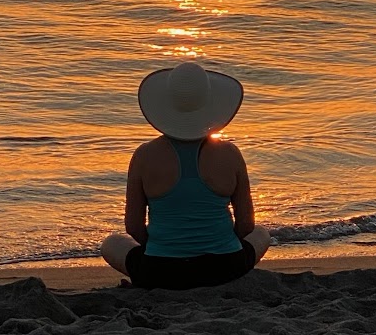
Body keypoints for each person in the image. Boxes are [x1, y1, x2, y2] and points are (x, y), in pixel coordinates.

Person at [101, 61, 271, 290]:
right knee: (262, 233)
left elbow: (134, 228)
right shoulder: (230, 154)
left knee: (111, 243)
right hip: (225, 268)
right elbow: (246, 225)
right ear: (210, 103)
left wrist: (168, 247)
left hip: (161, 271)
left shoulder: (144, 155)